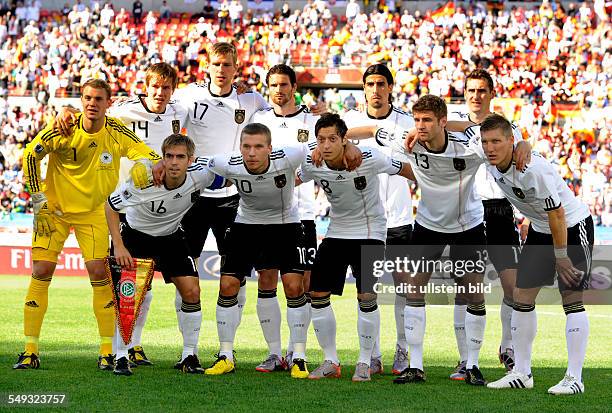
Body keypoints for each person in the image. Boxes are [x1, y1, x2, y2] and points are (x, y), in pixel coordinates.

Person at [373, 95, 531, 385]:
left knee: (473, 293)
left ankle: (472, 365)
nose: (419, 126)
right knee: (414, 290)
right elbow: (374, 131)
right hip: (427, 226)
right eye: (416, 120)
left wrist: (523, 144)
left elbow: (502, 133)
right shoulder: (406, 141)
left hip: (467, 226)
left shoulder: (470, 146)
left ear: (443, 122)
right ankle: (416, 366)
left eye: (427, 120)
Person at [13, 79, 161, 370]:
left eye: (98, 99)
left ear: (109, 103)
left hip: (94, 212)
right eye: (88, 98)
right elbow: (31, 154)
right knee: (41, 270)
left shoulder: (116, 132)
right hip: (53, 211)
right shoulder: (63, 127)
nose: (92, 103)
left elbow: (148, 155)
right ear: (81, 101)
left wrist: (144, 167)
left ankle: (107, 350)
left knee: (98, 273)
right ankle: (30, 350)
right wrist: (38, 201)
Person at [55, 63, 188, 367]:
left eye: (166, 88)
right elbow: (91, 112)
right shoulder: (123, 109)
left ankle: (137, 345)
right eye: (155, 86)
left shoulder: (182, 110)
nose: (160, 92)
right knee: (130, 280)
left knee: (157, 281)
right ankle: (124, 346)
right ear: (146, 85)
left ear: (173, 90)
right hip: (125, 204)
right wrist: (65, 108)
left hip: (163, 207)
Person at [250, 64, 361, 372]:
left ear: (294, 87)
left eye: (284, 84)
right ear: (268, 88)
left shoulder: (312, 121)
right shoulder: (258, 120)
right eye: (273, 84)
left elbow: (342, 135)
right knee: (268, 279)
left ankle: (296, 352)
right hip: (265, 214)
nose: (279, 89)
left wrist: (349, 144)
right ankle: (275, 354)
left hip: (301, 215)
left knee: (301, 285)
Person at [481, 114, 593, 395]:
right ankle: (521, 372)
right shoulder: (487, 155)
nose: (490, 147)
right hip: (542, 228)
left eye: (496, 141)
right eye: (486, 142)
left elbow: (557, 213)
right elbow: (460, 129)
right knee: (521, 297)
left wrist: (562, 255)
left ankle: (574, 378)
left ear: (511, 141)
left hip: (570, 225)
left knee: (571, 298)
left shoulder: (532, 169)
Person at [298, 114, 414, 382]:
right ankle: (331, 360)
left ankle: (365, 362)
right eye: (321, 140)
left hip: (371, 231)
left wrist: (436, 186)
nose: (326, 145)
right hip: (336, 231)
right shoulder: (312, 161)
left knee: (366, 296)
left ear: (344, 139)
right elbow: (294, 177)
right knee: (317, 293)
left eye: (333, 139)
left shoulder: (370, 157)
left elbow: (406, 170)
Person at [105, 134, 225, 376]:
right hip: (135, 236)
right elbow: (110, 206)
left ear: (190, 160)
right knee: (128, 298)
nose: (173, 162)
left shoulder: (200, 176)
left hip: (171, 237)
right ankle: (120, 356)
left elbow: (227, 175)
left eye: (180, 157)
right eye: (168, 156)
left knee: (192, 291)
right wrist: (118, 246)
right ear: (162, 158)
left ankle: (189, 355)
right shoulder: (142, 180)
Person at [201, 123, 313, 379]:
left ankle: (298, 356)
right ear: (240, 148)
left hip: (286, 225)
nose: (251, 153)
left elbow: (316, 150)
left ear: (270, 148)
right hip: (246, 225)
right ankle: (226, 355)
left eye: (258, 147)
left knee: (294, 287)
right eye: (246, 147)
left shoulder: (289, 156)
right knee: (228, 286)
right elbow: (198, 163)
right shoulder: (228, 163)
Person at [447, 69, 523, 380]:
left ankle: (508, 348)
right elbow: (435, 131)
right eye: (471, 90)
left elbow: (523, 159)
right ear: (464, 94)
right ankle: (465, 359)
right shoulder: (452, 126)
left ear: (491, 93)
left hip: (501, 212)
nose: (476, 95)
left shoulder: (508, 128)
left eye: (482, 90)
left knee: (512, 287)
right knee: (466, 289)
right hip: (465, 212)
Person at [343, 63, 415, 376]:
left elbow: (421, 166)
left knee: (404, 288)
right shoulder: (350, 122)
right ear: (364, 88)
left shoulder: (408, 122)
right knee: (367, 290)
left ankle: (402, 349)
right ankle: (371, 353)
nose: (375, 90)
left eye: (381, 84)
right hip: (364, 221)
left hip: (399, 218)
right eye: (370, 84)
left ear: (390, 88)